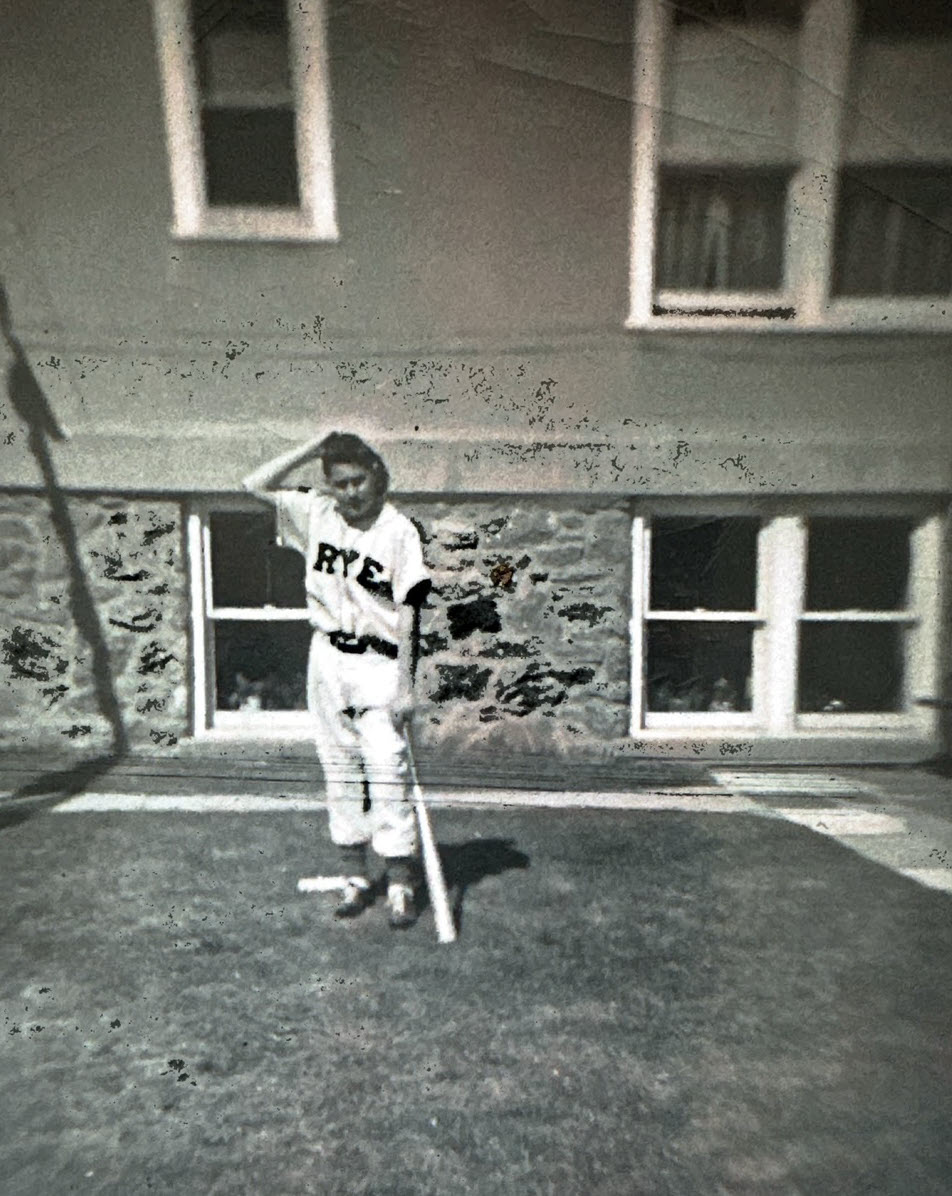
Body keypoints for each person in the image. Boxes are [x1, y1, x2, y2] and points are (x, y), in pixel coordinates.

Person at [242, 431, 431, 928]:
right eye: (340, 483)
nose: (351, 492)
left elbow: (410, 612)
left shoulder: (398, 531)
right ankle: (353, 877)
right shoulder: (316, 514)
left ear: (378, 478)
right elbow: (252, 484)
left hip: (380, 661)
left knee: (387, 769)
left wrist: (407, 685)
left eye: (359, 480)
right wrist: (311, 448)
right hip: (327, 656)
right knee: (340, 767)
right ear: (328, 486)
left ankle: (399, 883)